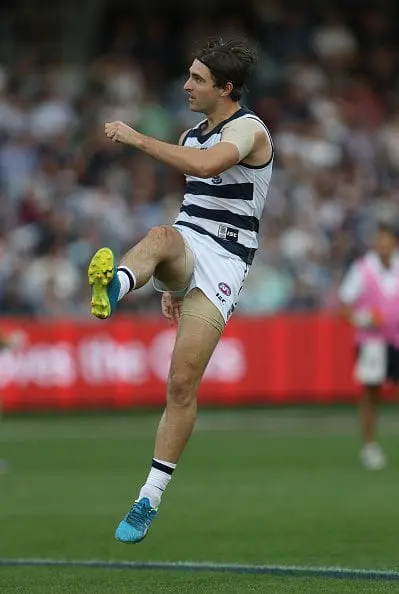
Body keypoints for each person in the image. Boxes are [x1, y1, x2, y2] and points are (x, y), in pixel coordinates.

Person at [87, 37, 274, 543]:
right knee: (160, 235)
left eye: (197, 79)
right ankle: (116, 286)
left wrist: (136, 138)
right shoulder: (193, 134)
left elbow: (207, 167)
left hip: (226, 261)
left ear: (226, 88)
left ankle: (149, 496)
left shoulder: (250, 129)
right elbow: (194, 203)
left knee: (180, 384)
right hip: (189, 243)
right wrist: (172, 275)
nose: (187, 85)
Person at [339, 223, 399, 470]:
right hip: (372, 341)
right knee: (371, 394)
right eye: (380, 241)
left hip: (396, 338)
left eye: (387, 241)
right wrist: (365, 319)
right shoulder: (363, 269)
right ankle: (369, 446)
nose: (383, 245)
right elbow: (345, 305)